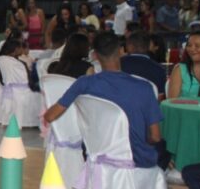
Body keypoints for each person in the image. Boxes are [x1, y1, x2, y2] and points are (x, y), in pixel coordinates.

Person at [44, 32, 163, 171]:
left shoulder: (83, 83)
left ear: (95, 55)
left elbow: (50, 116)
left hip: (97, 156)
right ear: (121, 51)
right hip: (137, 160)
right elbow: (155, 137)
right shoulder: (144, 87)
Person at [120, 30, 167, 98]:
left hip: (120, 103)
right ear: (148, 47)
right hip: (149, 104)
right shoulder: (159, 70)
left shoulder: (118, 65)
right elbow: (161, 97)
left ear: (129, 46)